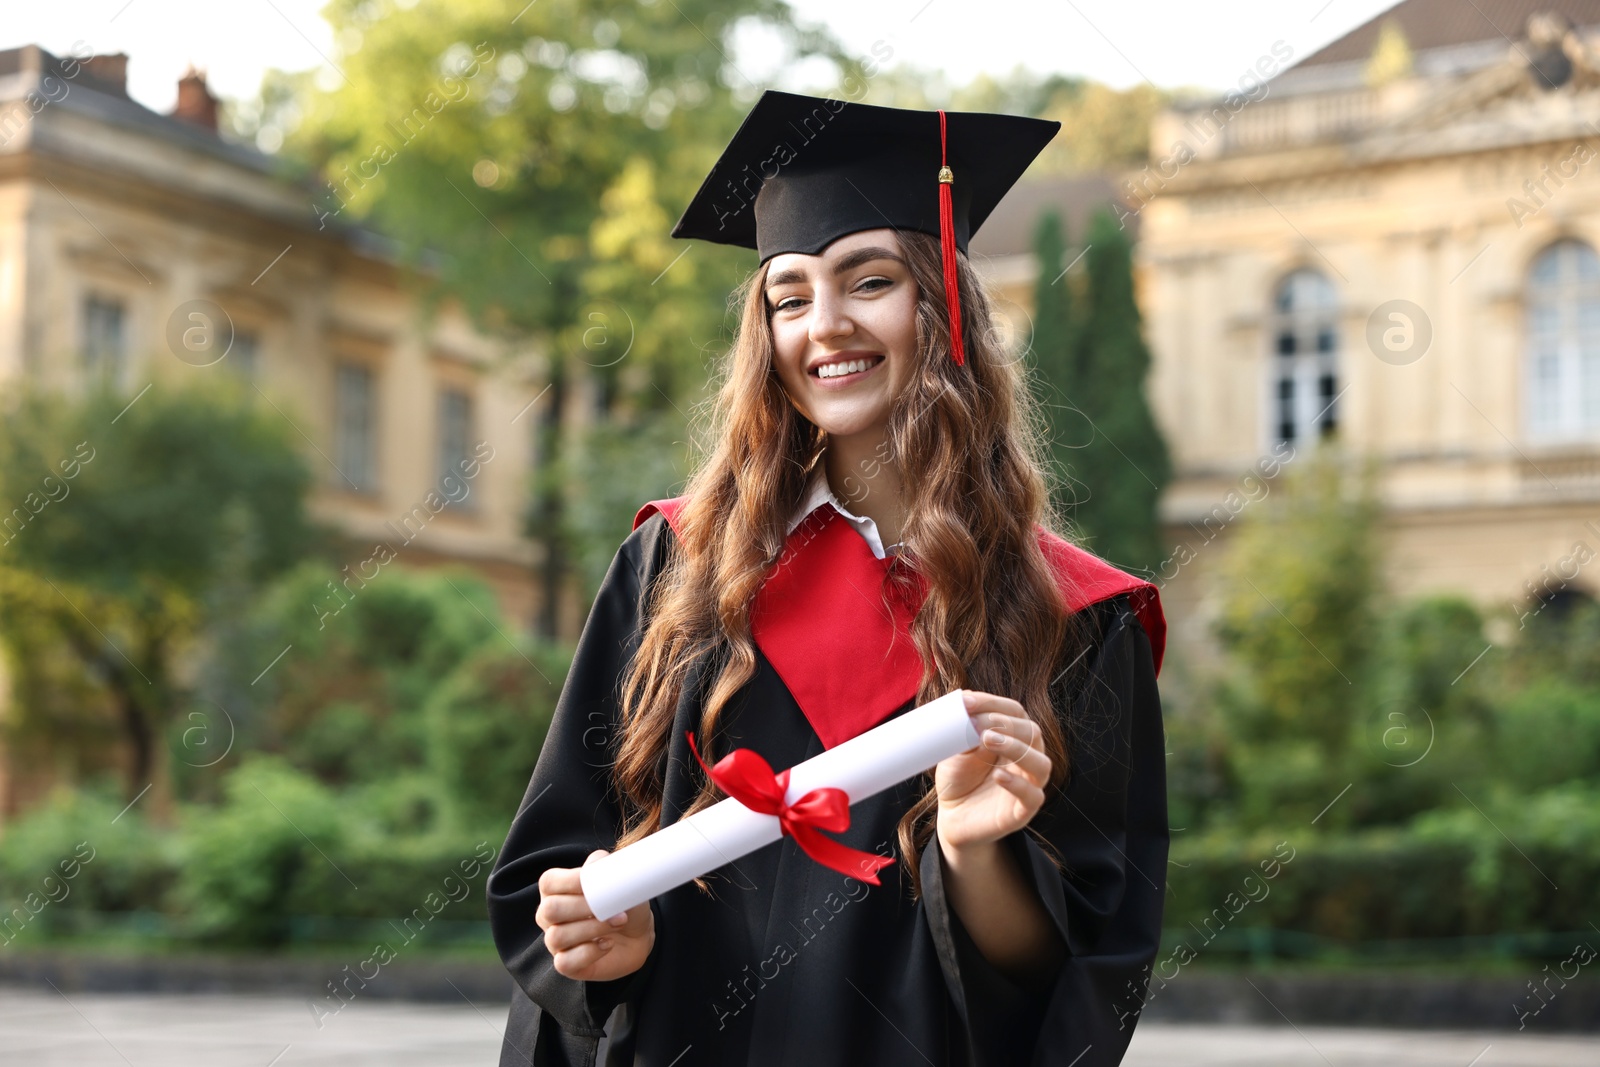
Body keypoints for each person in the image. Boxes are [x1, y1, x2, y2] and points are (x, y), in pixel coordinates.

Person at [487, 90, 1169, 1067]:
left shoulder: (1073, 617)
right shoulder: (672, 567)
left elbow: (1077, 968)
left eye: (870, 280)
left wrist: (977, 851)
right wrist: (601, 942)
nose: (826, 326)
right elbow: (558, 859)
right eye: (790, 296)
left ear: (945, 302)